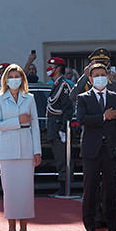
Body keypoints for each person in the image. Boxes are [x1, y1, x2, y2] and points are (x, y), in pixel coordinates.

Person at [76, 63, 116, 231]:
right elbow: (81, 119)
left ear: (107, 77)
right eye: (96, 75)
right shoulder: (83, 98)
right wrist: (103, 117)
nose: (99, 77)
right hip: (91, 149)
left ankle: (112, 225)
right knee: (90, 189)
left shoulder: (115, 97)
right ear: (90, 79)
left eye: (102, 74)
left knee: (111, 188)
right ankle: (90, 227)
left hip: (110, 150)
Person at [0, 64, 41, 231]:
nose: (14, 79)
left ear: (22, 79)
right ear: (6, 79)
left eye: (17, 76)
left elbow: (35, 126)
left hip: (26, 147)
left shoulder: (29, 98)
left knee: (26, 190)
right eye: (11, 76)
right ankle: (11, 227)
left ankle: (24, 227)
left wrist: (37, 151)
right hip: (7, 149)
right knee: (10, 190)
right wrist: (17, 121)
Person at [45, 57, 73, 197]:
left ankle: (65, 186)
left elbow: (68, 110)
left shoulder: (64, 85)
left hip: (58, 127)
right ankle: (62, 186)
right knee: (58, 158)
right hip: (53, 127)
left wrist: (63, 128)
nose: (49, 69)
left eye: (52, 67)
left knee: (63, 159)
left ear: (59, 69)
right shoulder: (56, 85)